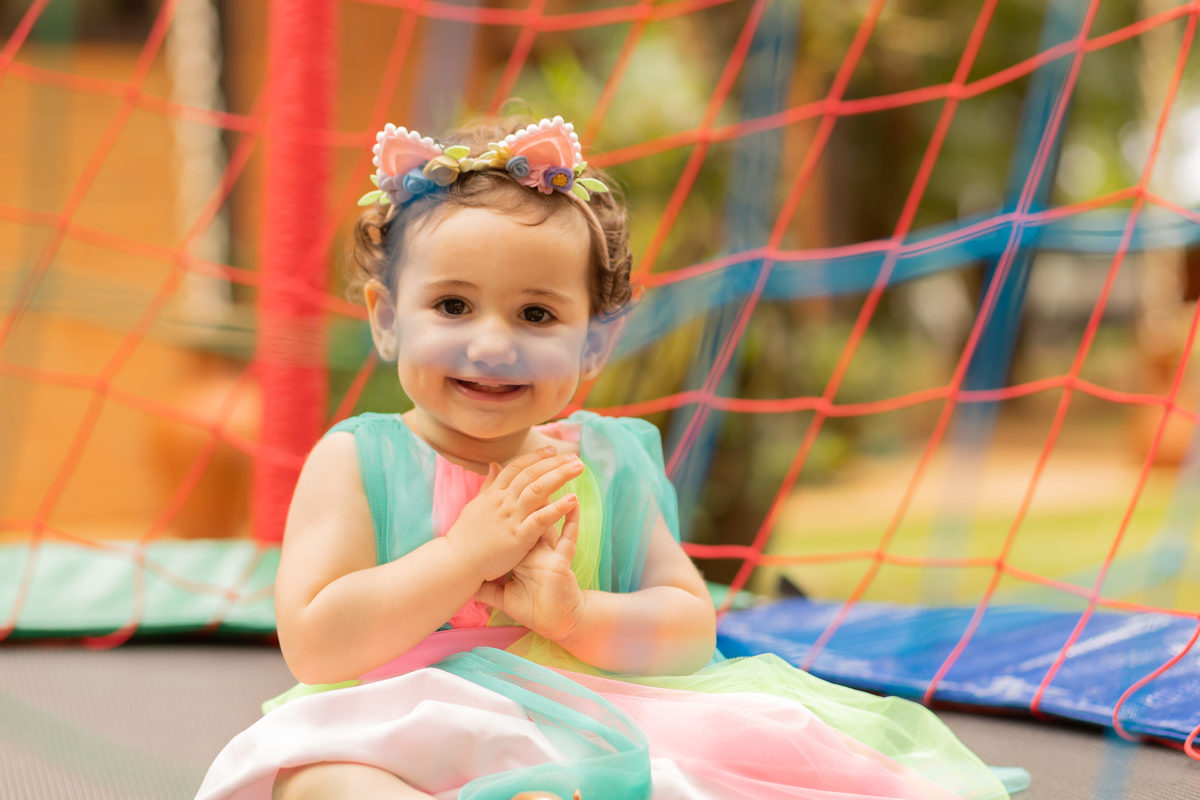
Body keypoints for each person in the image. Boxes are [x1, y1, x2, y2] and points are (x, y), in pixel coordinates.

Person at [196, 115, 1020, 800]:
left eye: (536, 315)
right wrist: (462, 554)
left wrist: (574, 616)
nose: (492, 343)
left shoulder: (608, 462)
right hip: (400, 721)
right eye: (451, 305)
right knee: (315, 779)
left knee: (647, 782)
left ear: (597, 342)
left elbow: (689, 628)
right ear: (386, 319)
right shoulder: (358, 461)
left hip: (590, 718)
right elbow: (315, 642)